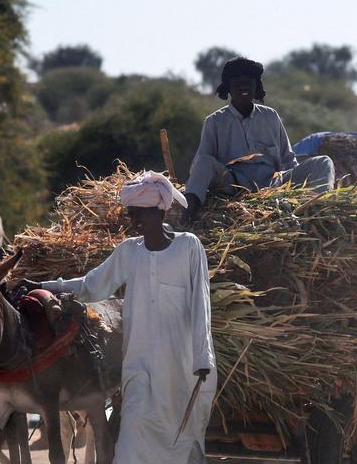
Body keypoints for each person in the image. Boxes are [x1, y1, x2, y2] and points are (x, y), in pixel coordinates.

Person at [26, 171, 215, 464]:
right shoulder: (129, 252)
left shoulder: (188, 246)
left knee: (183, 447)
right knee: (130, 441)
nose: (135, 221)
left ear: (158, 210)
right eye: (132, 215)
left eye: (140, 214)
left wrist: (203, 359)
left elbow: (200, 303)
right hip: (139, 367)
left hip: (183, 369)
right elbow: (91, 285)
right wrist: (44, 287)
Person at [182, 57, 334, 224]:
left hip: (273, 183)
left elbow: (288, 160)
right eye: (237, 83)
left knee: (323, 162)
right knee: (203, 161)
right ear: (229, 88)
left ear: (256, 87)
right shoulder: (215, 121)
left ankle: (321, 210)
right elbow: (201, 166)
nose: (243, 87)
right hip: (234, 185)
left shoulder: (271, 116)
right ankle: (187, 216)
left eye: (248, 83)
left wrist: (295, 186)